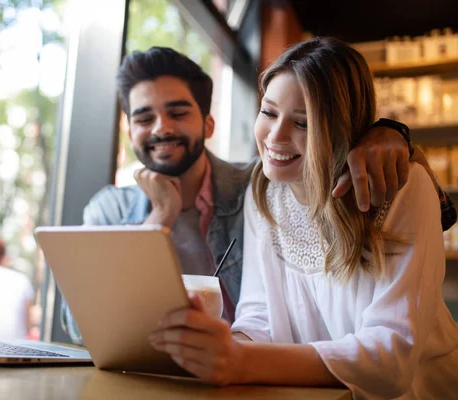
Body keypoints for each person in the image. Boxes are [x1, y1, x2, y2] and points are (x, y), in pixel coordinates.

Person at [62, 46, 456, 342]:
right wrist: (156, 222)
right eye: (144, 118)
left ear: (209, 122)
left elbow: (335, 162)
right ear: (129, 131)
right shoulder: (108, 209)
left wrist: (391, 134)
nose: (161, 128)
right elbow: (81, 328)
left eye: (179, 112)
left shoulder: (259, 185)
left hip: (246, 370)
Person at [149, 37, 458, 399]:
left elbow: (391, 357)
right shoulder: (264, 191)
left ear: (341, 128)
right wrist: (221, 348)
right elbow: (258, 314)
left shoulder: (402, 188)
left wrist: (241, 362)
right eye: (269, 112)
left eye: (303, 123)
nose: (276, 136)